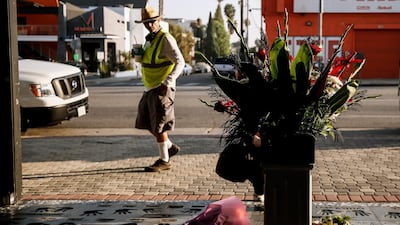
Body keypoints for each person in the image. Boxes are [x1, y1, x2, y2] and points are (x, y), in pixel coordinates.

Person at [134, 6, 185, 172]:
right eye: (146, 23)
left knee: (159, 125)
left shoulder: (165, 38)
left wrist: (168, 82)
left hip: (161, 88)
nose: (149, 25)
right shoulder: (150, 39)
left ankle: (164, 160)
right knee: (146, 121)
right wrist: (138, 55)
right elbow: (148, 60)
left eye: (152, 22)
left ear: (158, 20)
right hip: (149, 87)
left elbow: (180, 62)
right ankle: (169, 146)